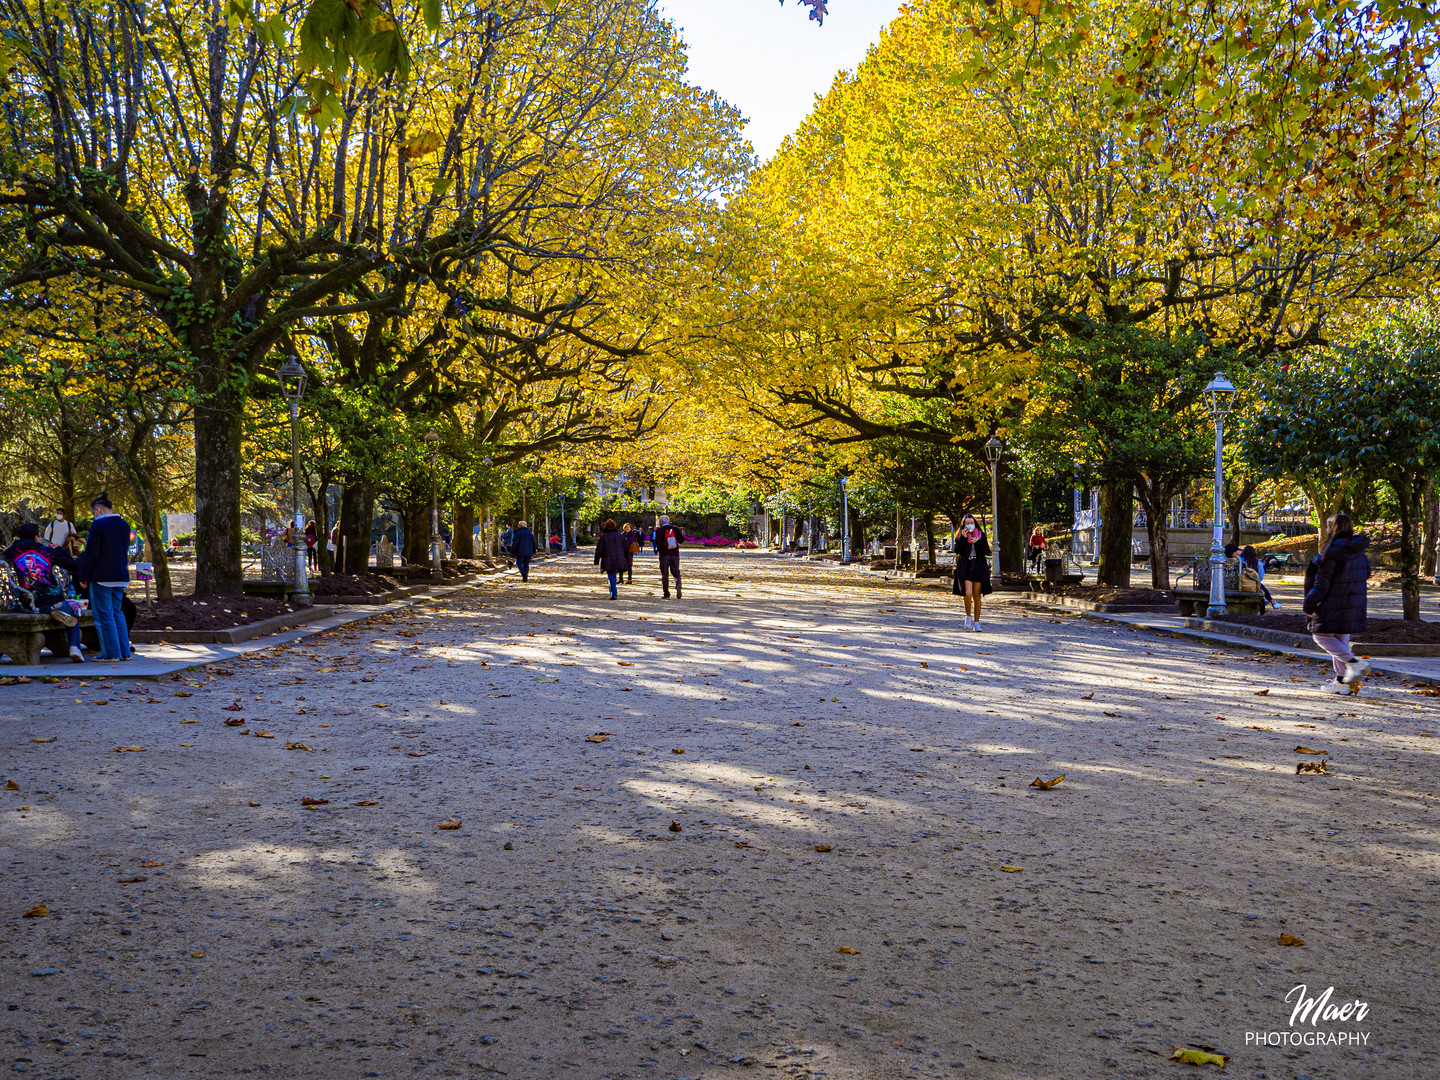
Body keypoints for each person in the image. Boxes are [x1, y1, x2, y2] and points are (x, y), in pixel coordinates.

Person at [1303, 512, 1371, 694]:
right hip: (1354, 602)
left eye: (1327, 526)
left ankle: (1354, 664)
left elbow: (1322, 584)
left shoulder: (1332, 552)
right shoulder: (1359, 552)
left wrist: (1309, 605)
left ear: (1333, 528)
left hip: (1333, 603)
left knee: (1321, 635)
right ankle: (1342, 682)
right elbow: (1367, 573)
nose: (1325, 529)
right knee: (1340, 639)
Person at [2, 522, 85, 662]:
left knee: (37, 604)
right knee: (73, 618)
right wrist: (60, 550)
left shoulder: (13, 551)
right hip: (53, 599)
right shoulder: (48, 551)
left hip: (28, 601)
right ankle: (74, 648)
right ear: (36, 537)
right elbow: (72, 565)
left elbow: (5, 554)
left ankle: (42, 609)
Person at [76, 492, 132, 662]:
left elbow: (92, 553)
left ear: (98, 510)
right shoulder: (124, 524)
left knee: (103, 615)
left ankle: (111, 653)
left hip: (101, 576)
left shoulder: (98, 525)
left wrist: (84, 575)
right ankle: (124, 652)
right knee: (117, 613)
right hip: (121, 574)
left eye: (94, 513)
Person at [951, 513, 992, 632]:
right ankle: (968, 616)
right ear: (964, 524)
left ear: (975, 524)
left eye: (972, 523)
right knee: (967, 593)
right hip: (966, 567)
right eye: (967, 523)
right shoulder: (961, 535)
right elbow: (957, 550)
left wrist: (978, 542)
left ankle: (977, 622)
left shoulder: (981, 535)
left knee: (977, 596)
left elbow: (987, 551)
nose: (970, 525)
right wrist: (964, 538)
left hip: (979, 567)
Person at [593, 518, 630, 599]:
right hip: (619, 558)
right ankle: (613, 592)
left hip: (608, 559)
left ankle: (613, 593)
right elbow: (626, 549)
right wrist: (627, 560)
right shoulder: (621, 537)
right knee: (613, 575)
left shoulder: (603, 537)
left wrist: (596, 561)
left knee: (611, 575)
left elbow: (599, 550)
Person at [1241, 544, 1282, 611]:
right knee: (1261, 592)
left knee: (1261, 591)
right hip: (1254, 583)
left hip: (1242, 582)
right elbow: (1261, 576)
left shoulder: (1240, 561)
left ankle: (1272, 601)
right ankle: (1271, 602)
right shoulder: (1257, 563)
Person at [654, 515, 686, 599]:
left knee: (664, 573)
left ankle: (666, 594)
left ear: (661, 522)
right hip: (675, 554)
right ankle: (678, 583)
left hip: (664, 555)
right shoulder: (675, 529)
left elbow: (658, 542)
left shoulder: (659, 530)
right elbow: (681, 540)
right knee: (676, 572)